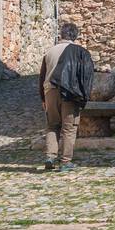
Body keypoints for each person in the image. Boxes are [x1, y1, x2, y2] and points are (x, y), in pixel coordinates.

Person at [39, 23, 92, 170]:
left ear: (61, 35)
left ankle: (50, 156)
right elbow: (86, 76)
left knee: (52, 125)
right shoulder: (80, 52)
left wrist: (43, 98)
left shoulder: (49, 52)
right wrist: (83, 96)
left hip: (50, 92)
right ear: (75, 36)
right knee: (69, 128)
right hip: (70, 93)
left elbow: (42, 77)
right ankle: (66, 161)